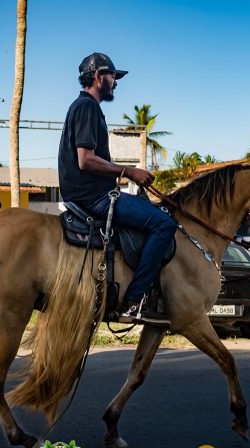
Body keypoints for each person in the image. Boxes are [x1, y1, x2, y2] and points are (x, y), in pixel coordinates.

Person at [58, 53, 178, 324]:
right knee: (164, 225)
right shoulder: (87, 107)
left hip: (90, 194)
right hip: (94, 198)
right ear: (98, 76)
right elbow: (85, 160)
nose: (115, 82)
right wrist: (129, 171)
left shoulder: (84, 107)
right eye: (113, 76)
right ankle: (136, 300)